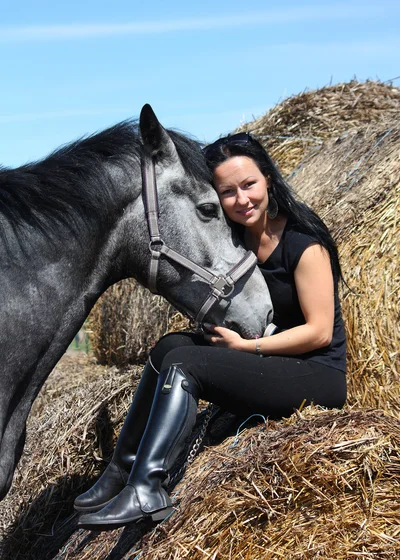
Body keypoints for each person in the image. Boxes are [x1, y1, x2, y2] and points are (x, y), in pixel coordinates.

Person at [76, 132, 346, 530]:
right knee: (169, 348)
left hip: (314, 373)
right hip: (269, 360)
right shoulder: (233, 242)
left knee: (186, 365)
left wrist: (248, 345)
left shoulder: (303, 245)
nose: (242, 200)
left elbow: (320, 333)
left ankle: (148, 487)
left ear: (268, 178)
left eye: (249, 185)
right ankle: (121, 469)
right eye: (228, 192)